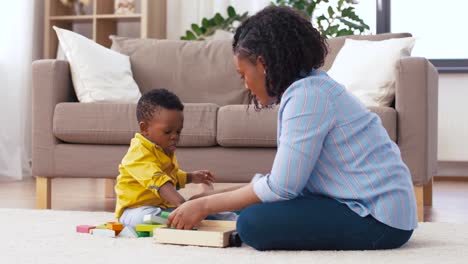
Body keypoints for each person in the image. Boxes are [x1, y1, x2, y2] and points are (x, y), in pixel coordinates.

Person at [166, 6, 417, 251]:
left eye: (243, 74)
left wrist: (207, 206)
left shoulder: (306, 97)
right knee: (249, 208)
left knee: (252, 223)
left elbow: (282, 188)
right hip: (365, 206)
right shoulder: (308, 88)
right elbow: (283, 182)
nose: (245, 84)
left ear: (263, 64)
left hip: (378, 219)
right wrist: (212, 201)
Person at [114, 89, 216, 227]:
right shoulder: (137, 155)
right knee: (150, 217)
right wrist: (183, 204)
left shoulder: (163, 148)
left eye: (178, 131)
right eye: (167, 131)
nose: (175, 136)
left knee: (202, 210)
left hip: (163, 208)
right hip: (134, 210)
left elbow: (171, 176)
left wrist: (191, 177)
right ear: (145, 128)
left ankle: (231, 218)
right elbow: (159, 181)